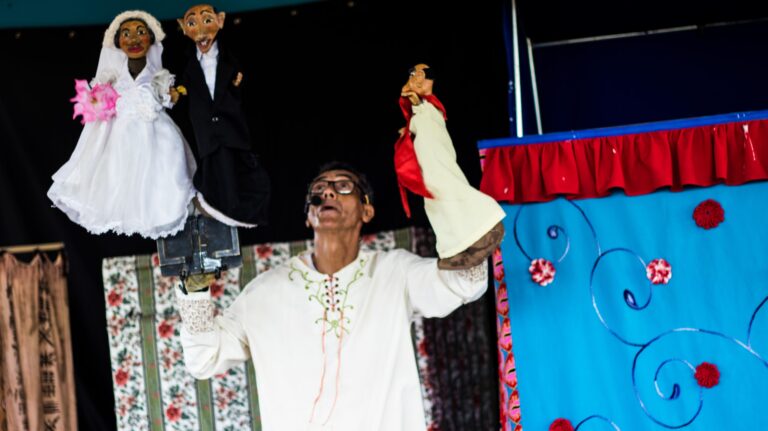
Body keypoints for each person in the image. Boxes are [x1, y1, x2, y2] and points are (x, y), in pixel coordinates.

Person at [177, 156, 503, 429]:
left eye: (343, 186)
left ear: (366, 210)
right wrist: (195, 291)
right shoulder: (264, 292)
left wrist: (467, 230)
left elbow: (461, 283)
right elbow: (204, 358)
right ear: (309, 216)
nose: (328, 192)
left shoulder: (395, 272)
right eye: (319, 190)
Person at [47, 10, 196, 239]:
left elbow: (168, 98)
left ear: (151, 38)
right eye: (126, 34)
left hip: (156, 139)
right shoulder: (111, 77)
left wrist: (171, 95)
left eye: (140, 32)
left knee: (163, 184)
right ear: (117, 41)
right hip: (120, 140)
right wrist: (98, 102)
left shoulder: (159, 77)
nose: (134, 39)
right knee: (116, 182)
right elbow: (97, 105)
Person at [174, 4, 271, 227]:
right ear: (183, 28)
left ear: (220, 20)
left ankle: (242, 214)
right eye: (192, 23)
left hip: (233, 128)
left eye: (207, 20)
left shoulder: (231, 58)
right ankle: (219, 213)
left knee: (240, 173)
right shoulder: (187, 65)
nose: (200, 30)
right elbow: (185, 89)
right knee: (215, 177)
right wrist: (178, 92)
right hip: (206, 134)